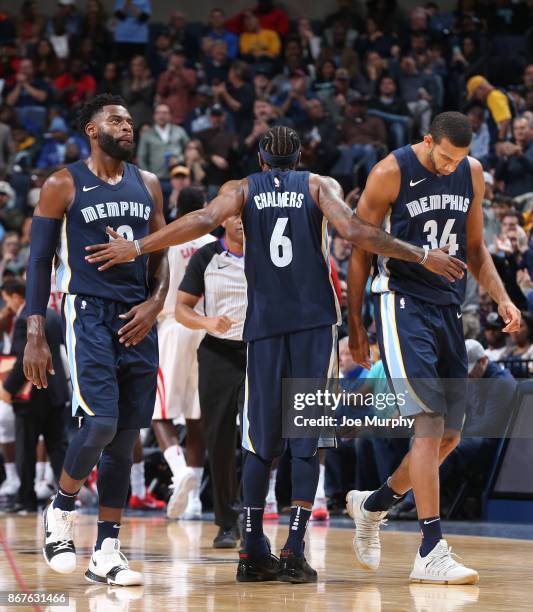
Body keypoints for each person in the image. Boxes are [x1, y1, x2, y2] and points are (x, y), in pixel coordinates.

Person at [85, 125, 466, 583]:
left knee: (259, 442)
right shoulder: (318, 185)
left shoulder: (241, 188)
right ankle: (294, 550)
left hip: (262, 328)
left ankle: (251, 548)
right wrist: (421, 255)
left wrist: (139, 245)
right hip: (313, 329)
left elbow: (203, 220)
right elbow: (355, 231)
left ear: (262, 161)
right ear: (300, 158)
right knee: (305, 443)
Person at [347, 111, 521, 584]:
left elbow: (476, 248)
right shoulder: (390, 171)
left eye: (458, 160)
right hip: (401, 302)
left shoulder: (473, 172)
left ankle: (374, 504)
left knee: (449, 437)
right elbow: (360, 245)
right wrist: (356, 325)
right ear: (428, 141)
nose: (450, 168)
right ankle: (430, 547)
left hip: (448, 307)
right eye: (444, 159)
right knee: (427, 423)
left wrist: (502, 297)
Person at [23, 94, 169, 586]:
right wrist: (35, 331)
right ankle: (61, 507)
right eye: (116, 120)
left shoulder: (148, 183)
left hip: (139, 318)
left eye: (130, 120)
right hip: (89, 316)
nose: (127, 127)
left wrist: (155, 303)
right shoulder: (62, 183)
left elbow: (161, 254)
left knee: (127, 437)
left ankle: (107, 548)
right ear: (91, 128)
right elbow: (40, 261)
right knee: (101, 423)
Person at [176, 213, 246, 547]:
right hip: (218, 353)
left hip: (260, 352)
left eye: (247, 212)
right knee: (217, 436)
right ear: (224, 219)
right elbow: (181, 308)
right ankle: (227, 521)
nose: (242, 220)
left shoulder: (270, 253)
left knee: (260, 435)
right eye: (235, 214)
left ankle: (254, 511)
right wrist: (206, 322)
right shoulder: (206, 256)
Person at [152, 187, 215, 520]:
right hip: (206, 329)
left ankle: (180, 472)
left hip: (174, 326)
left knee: (159, 412)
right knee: (196, 415)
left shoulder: (167, 239)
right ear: (204, 208)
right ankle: (194, 502)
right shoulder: (214, 245)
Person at [0, 278, 69, 514]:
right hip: (57, 392)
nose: (7, 304)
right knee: (58, 449)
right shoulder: (51, 314)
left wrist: (7, 389)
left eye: (7, 299)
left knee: (26, 450)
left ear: (16, 296)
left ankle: (25, 499)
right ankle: (67, 500)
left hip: (32, 396)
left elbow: (23, 361)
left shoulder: (24, 320)